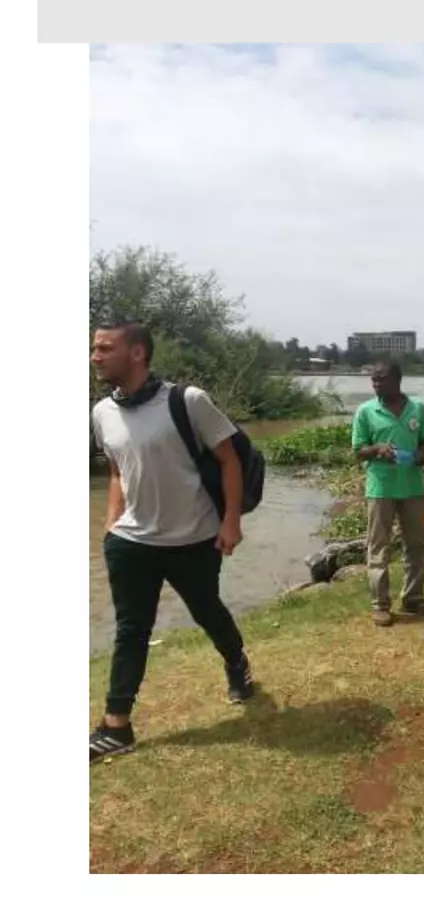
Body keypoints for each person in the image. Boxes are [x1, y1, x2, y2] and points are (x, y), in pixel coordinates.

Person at [89, 323, 256, 762]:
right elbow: (117, 470)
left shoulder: (188, 401)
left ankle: (236, 661)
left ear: (138, 352)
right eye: (94, 348)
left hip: (194, 538)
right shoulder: (101, 412)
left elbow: (230, 460)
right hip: (131, 542)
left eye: (106, 348)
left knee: (207, 611)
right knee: (131, 630)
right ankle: (116, 724)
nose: (95, 356)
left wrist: (231, 520)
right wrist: (110, 523)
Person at [352, 359, 424, 627]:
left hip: (412, 486)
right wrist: (377, 449)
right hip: (381, 488)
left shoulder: (417, 408)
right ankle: (380, 604)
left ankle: (413, 598)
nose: (376, 384)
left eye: (381, 379)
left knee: (417, 544)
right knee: (379, 545)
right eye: (373, 380)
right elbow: (358, 451)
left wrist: (421, 454)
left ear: (397, 380)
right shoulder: (365, 411)